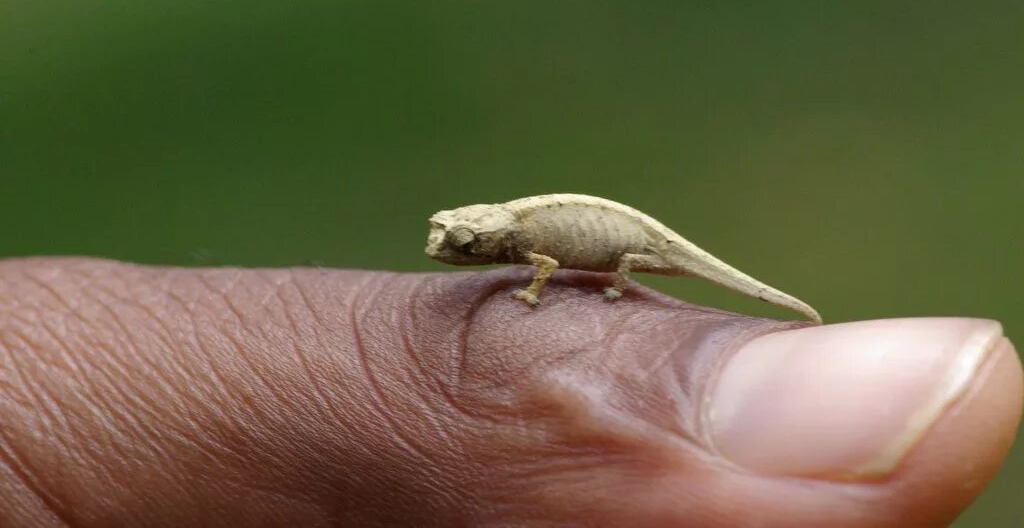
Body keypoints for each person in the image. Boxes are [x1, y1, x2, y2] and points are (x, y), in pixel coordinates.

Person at [0, 257, 1018, 527]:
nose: (448, 257)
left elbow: (549, 254)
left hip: (613, 242)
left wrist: (545, 284)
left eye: (464, 249)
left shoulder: (530, 239)